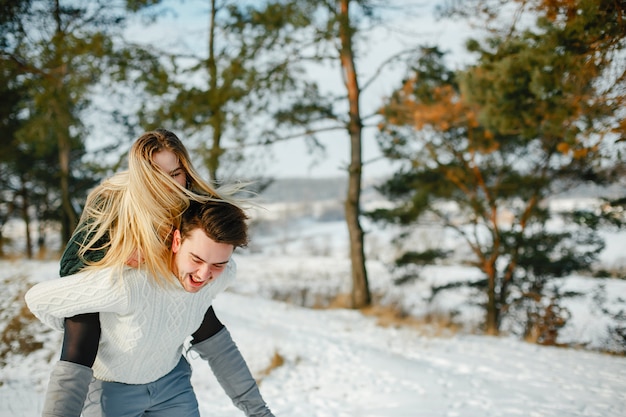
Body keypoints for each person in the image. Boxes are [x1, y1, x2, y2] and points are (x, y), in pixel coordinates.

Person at [36, 129, 273, 416]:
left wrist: (204, 263)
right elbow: (71, 267)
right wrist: (119, 261)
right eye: (157, 177)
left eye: (175, 174)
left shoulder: (193, 201)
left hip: (170, 376)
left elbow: (214, 242)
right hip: (111, 356)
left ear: (184, 169)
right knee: (84, 318)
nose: (169, 186)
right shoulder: (114, 203)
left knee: (194, 305)